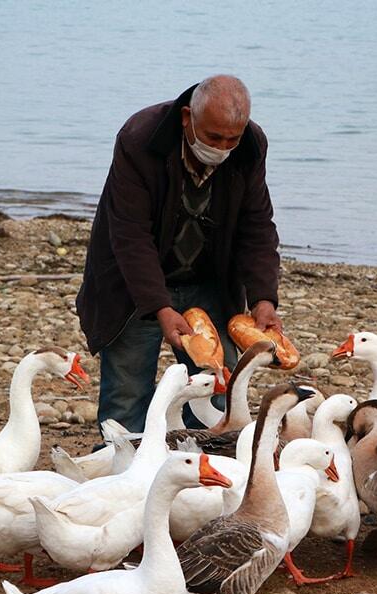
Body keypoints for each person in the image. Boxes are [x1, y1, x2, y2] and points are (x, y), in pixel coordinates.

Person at [76, 75, 282, 433]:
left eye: (231, 139)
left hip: (210, 282)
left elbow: (257, 226)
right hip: (134, 284)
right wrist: (159, 306)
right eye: (213, 137)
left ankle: (200, 467)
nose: (222, 147)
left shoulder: (250, 145)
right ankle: (121, 472)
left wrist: (264, 298)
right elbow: (130, 234)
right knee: (127, 391)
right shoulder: (139, 138)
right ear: (187, 117)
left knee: (218, 387)